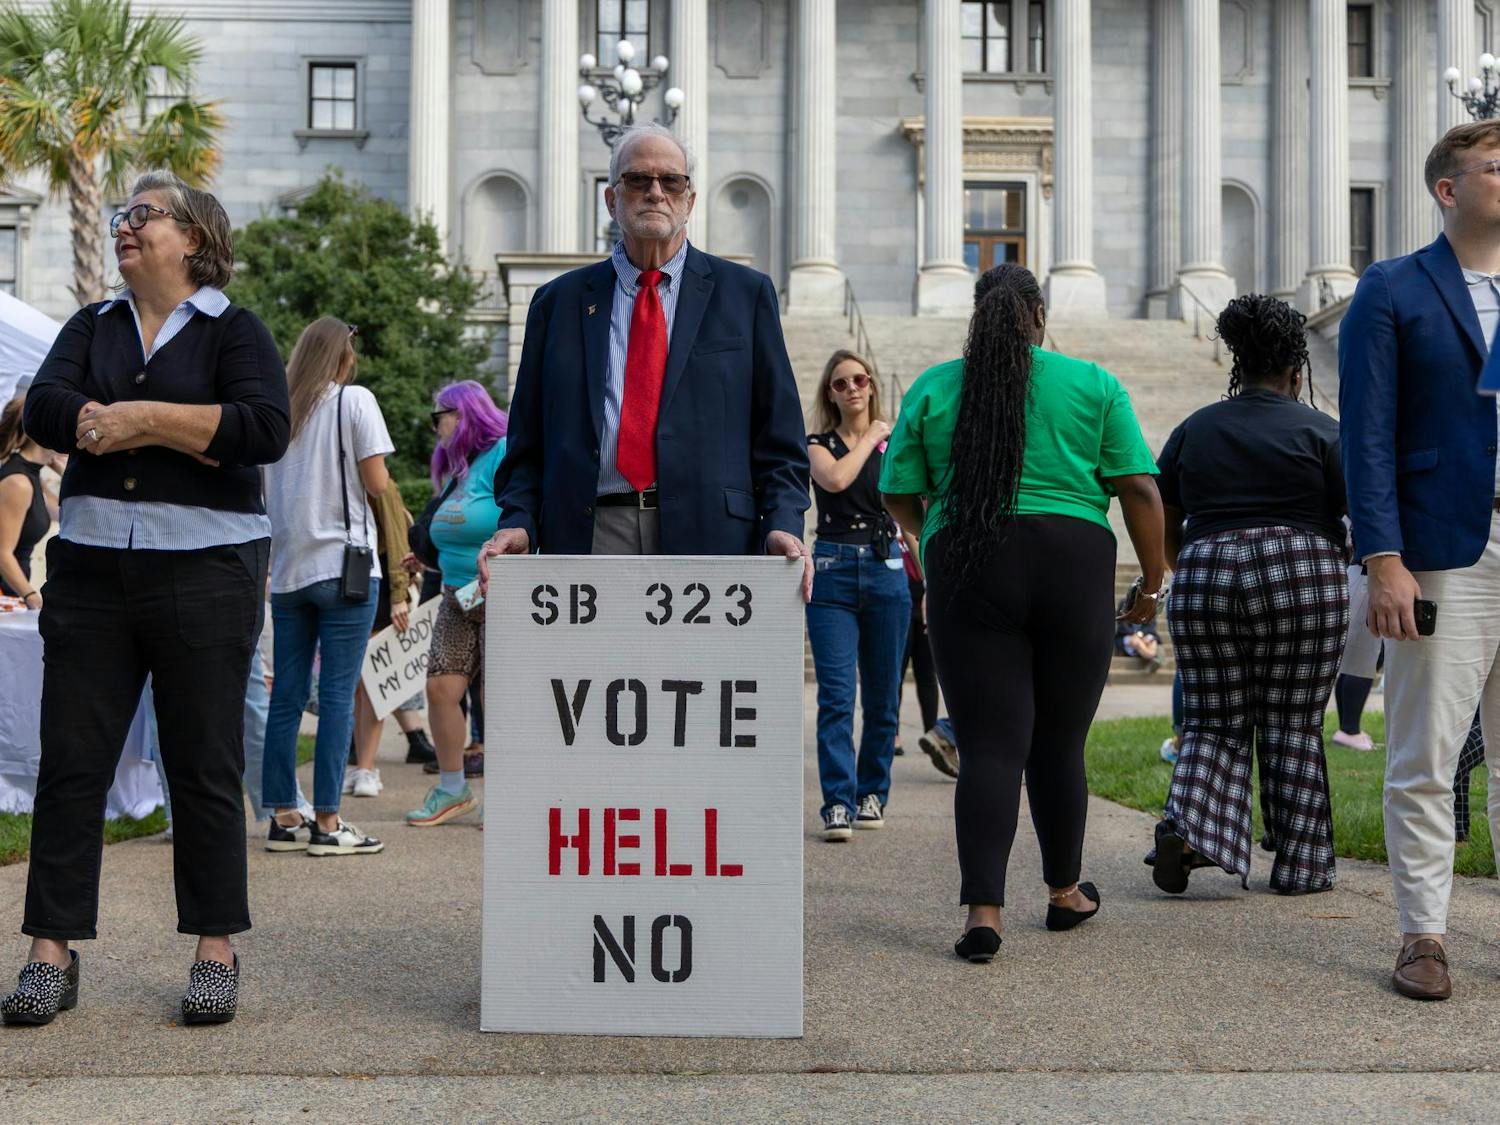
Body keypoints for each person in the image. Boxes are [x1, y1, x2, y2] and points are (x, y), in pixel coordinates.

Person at [2, 171, 289, 1026]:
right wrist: (172, 428)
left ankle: (214, 949)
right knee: (71, 762)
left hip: (207, 570)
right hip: (90, 572)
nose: (125, 227)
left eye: (143, 216)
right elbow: (44, 407)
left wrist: (142, 421)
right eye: (122, 216)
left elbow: (262, 428)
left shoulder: (236, 330)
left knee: (202, 765)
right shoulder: (89, 325)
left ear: (194, 238)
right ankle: (49, 952)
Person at [881, 262, 1164, 963]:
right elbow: (1140, 491)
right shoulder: (1093, 383)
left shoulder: (935, 386)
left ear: (977, 317)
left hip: (970, 557)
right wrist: (1152, 582)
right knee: (1060, 741)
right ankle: (1065, 893)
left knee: (989, 744)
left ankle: (985, 912)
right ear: (1040, 314)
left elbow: (895, 491)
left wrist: (937, 529)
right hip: (1073, 557)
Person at [478, 122, 810, 594]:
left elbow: (780, 437)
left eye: (670, 181)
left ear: (689, 201)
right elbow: (528, 441)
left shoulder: (746, 295)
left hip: (712, 539)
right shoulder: (557, 303)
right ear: (612, 200)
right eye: (638, 180)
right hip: (587, 535)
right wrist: (518, 521)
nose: (655, 192)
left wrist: (782, 522)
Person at [1340, 120, 1500, 1001]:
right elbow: (1365, 433)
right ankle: (1423, 934)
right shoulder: (1394, 287)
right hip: (1442, 549)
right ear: (1448, 188)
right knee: (1425, 753)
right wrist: (1383, 556)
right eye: (1497, 167)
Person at [1150, 295, 1347, 898]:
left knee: (1211, 720)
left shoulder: (1195, 428)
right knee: (1292, 722)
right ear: (1296, 371)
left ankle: (1189, 828)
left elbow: (1165, 518)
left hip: (1208, 569)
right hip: (1300, 573)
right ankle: (1300, 867)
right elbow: (1355, 512)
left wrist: (1187, 568)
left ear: (1236, 362)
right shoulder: (1321, 430)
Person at [261, 317, 390, 858]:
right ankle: (329, 821)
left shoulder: (279, 415)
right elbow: (377, 482)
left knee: (286, 699)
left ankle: (284, 816)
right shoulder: (354, 401)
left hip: (289, 572)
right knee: (338, 696)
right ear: (342, 354)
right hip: (346, 568)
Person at [805, 350, 911, 840]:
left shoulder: (898, 447)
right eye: (840, 383)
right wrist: (873, 435)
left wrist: (929, 582)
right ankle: (837, 803)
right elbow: (836, 479)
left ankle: (872, 793)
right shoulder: (817, 444)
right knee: (837, 698)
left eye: (860, 379)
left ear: (871, 385)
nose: (852, 388)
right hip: (831, 570)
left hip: (887, 568)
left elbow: (913, 513)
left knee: (884, 696)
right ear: (830, 393)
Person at [405, 380, 507, 828]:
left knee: (498, 697)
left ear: (465, 414)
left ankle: (509, 796)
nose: (436, 426)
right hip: (455, 593)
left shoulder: (503, 453)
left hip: (502, 590)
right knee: (441, 689)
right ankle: (452, 790)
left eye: (439, 416)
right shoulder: (457, 469)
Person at [346, 477, 416, 798]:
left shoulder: (383, 484)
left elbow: (398, 539)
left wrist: (400, 595)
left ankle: (367, 767)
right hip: (355, 579)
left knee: (372, 685)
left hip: (382, 587)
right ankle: (363, 766)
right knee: (359, 688)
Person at [0, 393, 63, 606]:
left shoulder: (33, 476)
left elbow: (68, 514)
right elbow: (2, 552)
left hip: (12, 595)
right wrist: (31, 597)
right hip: (7, 596)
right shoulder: (18, 482)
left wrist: (65, 472)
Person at [1113, 597, 1162, 673]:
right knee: (1137, 642)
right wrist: (1134, 634)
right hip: (1127, 635)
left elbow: (1151, 626)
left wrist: (1141, 635)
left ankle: (1151, 657)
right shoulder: (1124, 603)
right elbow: (1121, 625)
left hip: (1143, 635)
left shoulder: (1149, 605)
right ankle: (1154, 657)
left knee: (1151, 640)